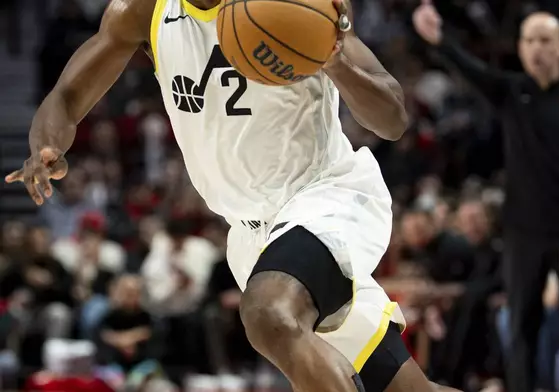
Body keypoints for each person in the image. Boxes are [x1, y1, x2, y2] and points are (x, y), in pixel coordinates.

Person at [4, 0, 457, 391]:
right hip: (252, 235)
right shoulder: (146, 12)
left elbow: (393, 119)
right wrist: (47, 147)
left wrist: (334, 60)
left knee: (269, 312)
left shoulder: (295, 6)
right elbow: (66, 95)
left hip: (328, 198)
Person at [413, 3, 559, 392]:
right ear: (520, 48)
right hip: (524, 233)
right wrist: (440, 40)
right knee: (522, 329)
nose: (537, 48)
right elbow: (472, 71)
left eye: (545, 40)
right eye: (530, 40)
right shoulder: (511, 92)